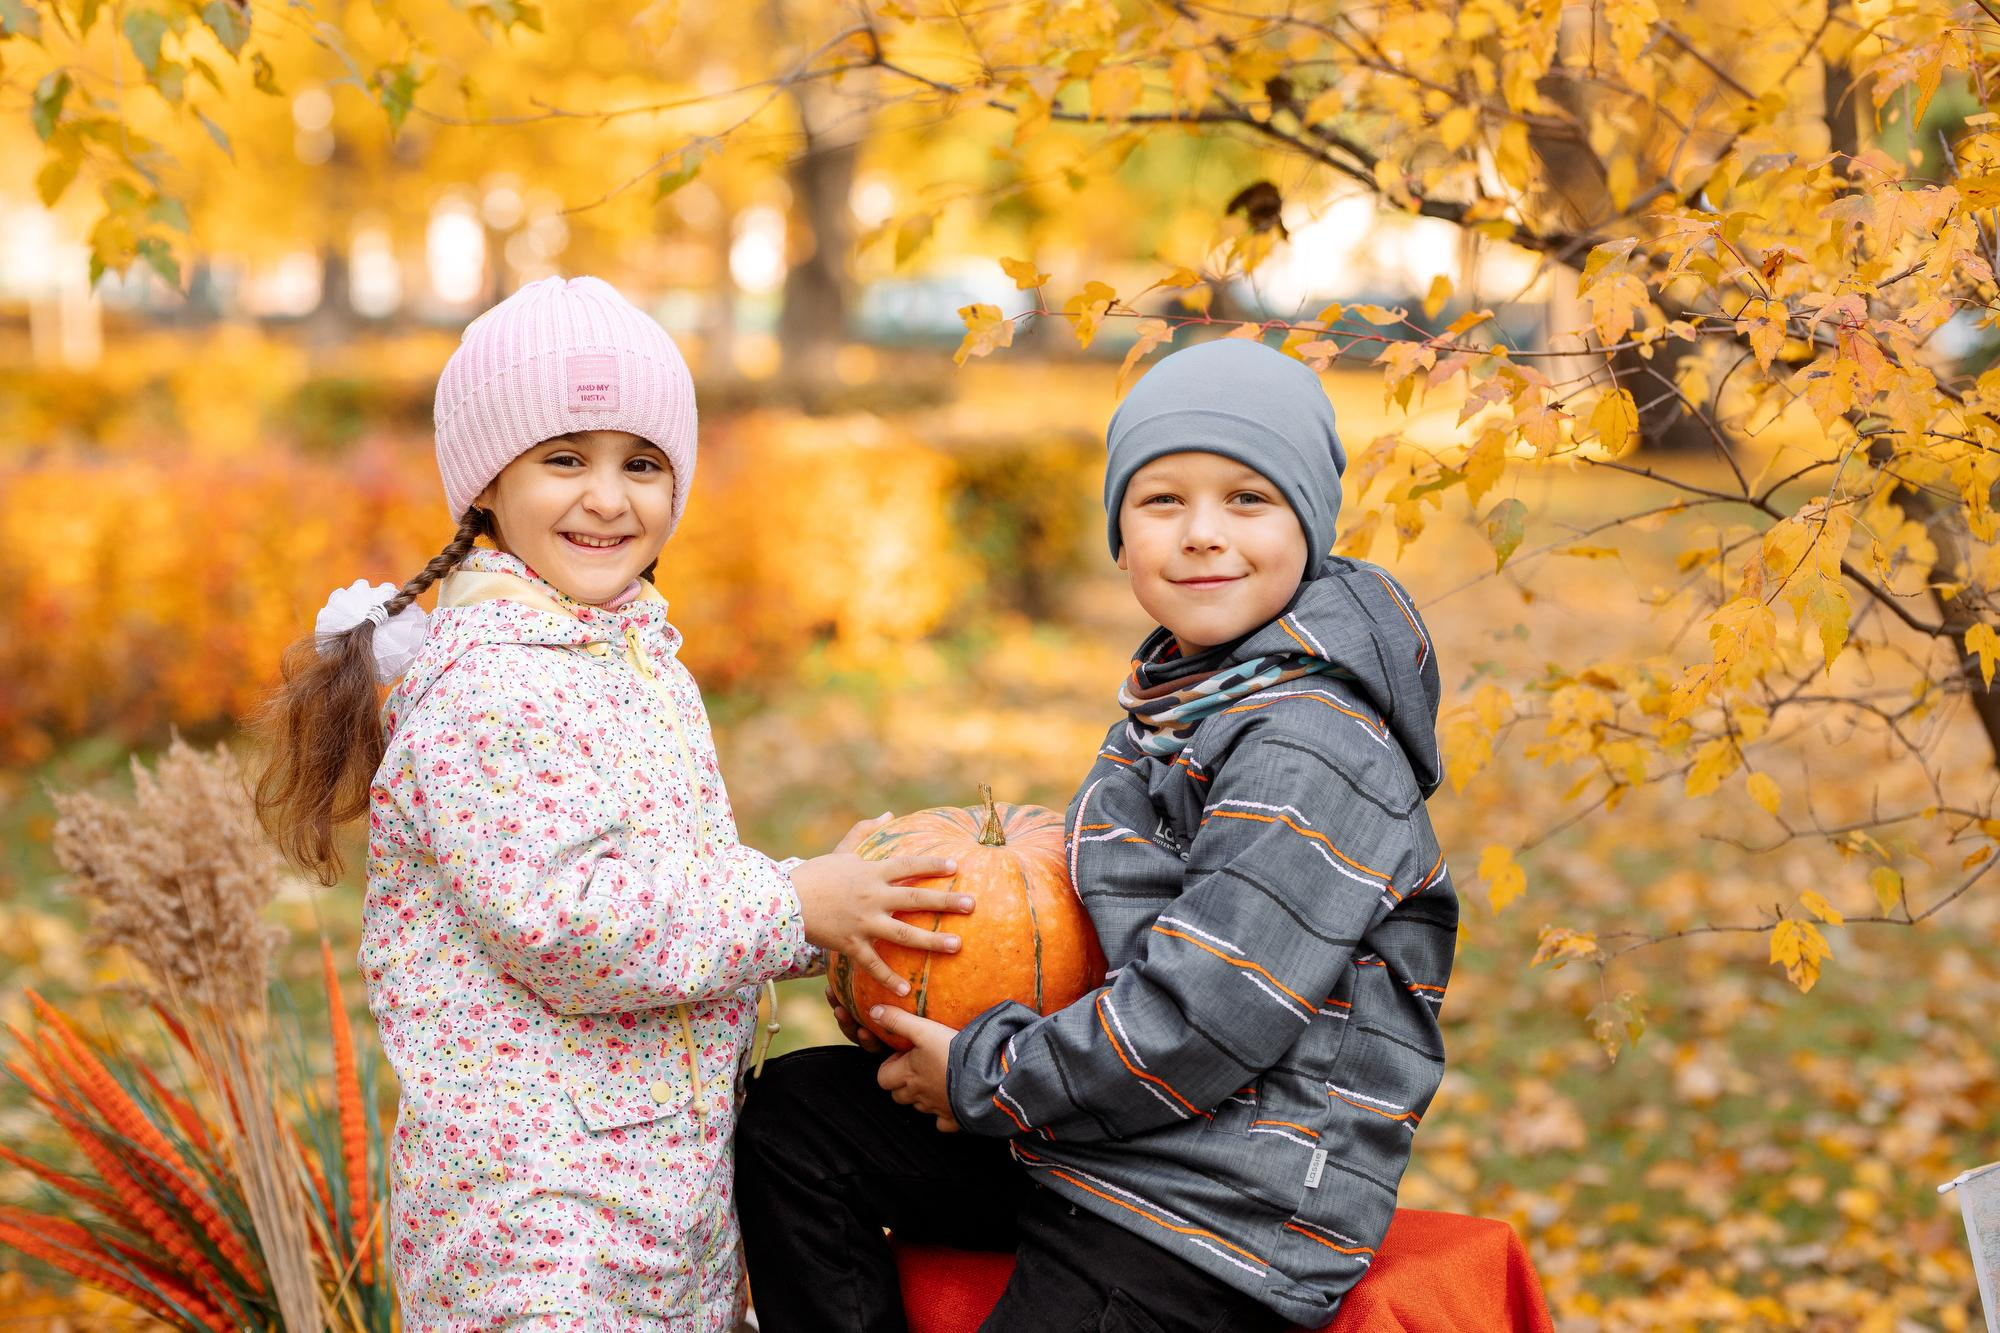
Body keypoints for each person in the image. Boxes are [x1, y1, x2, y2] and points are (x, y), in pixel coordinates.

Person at [255, 275, 969, 1330]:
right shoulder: (489, 685)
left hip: (656, 1185)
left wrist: (813, 893)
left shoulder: (626, 654)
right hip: (537, 1214)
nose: (607, 496)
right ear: (487, 486)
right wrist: (791, 906)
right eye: (563, 459)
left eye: (641, 463)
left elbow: (655, 877)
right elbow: (569, 922)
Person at [737, 337, 1457, 1332]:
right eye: (1161, 500)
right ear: (1119, 535)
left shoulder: (1309, 745)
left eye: (1247, 499)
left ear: (1311, 525)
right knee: (799, 1117)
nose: (1202, 534)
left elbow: (1201, 1019)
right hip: (1107, 1136)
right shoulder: (1184, 693)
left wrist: (985, 1073)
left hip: (1219, 1205)